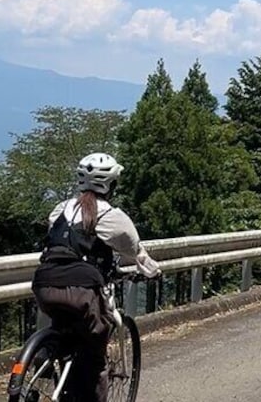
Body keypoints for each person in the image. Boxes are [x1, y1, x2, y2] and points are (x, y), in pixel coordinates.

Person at [31, 152, 160, 402]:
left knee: (60, 322)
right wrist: (153, 272)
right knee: (95, 356)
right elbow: (136, 253)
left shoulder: (60, 209)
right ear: (111, 184)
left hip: (44, 282)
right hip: (82, 291)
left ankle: (43, 358)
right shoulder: (112, 217)